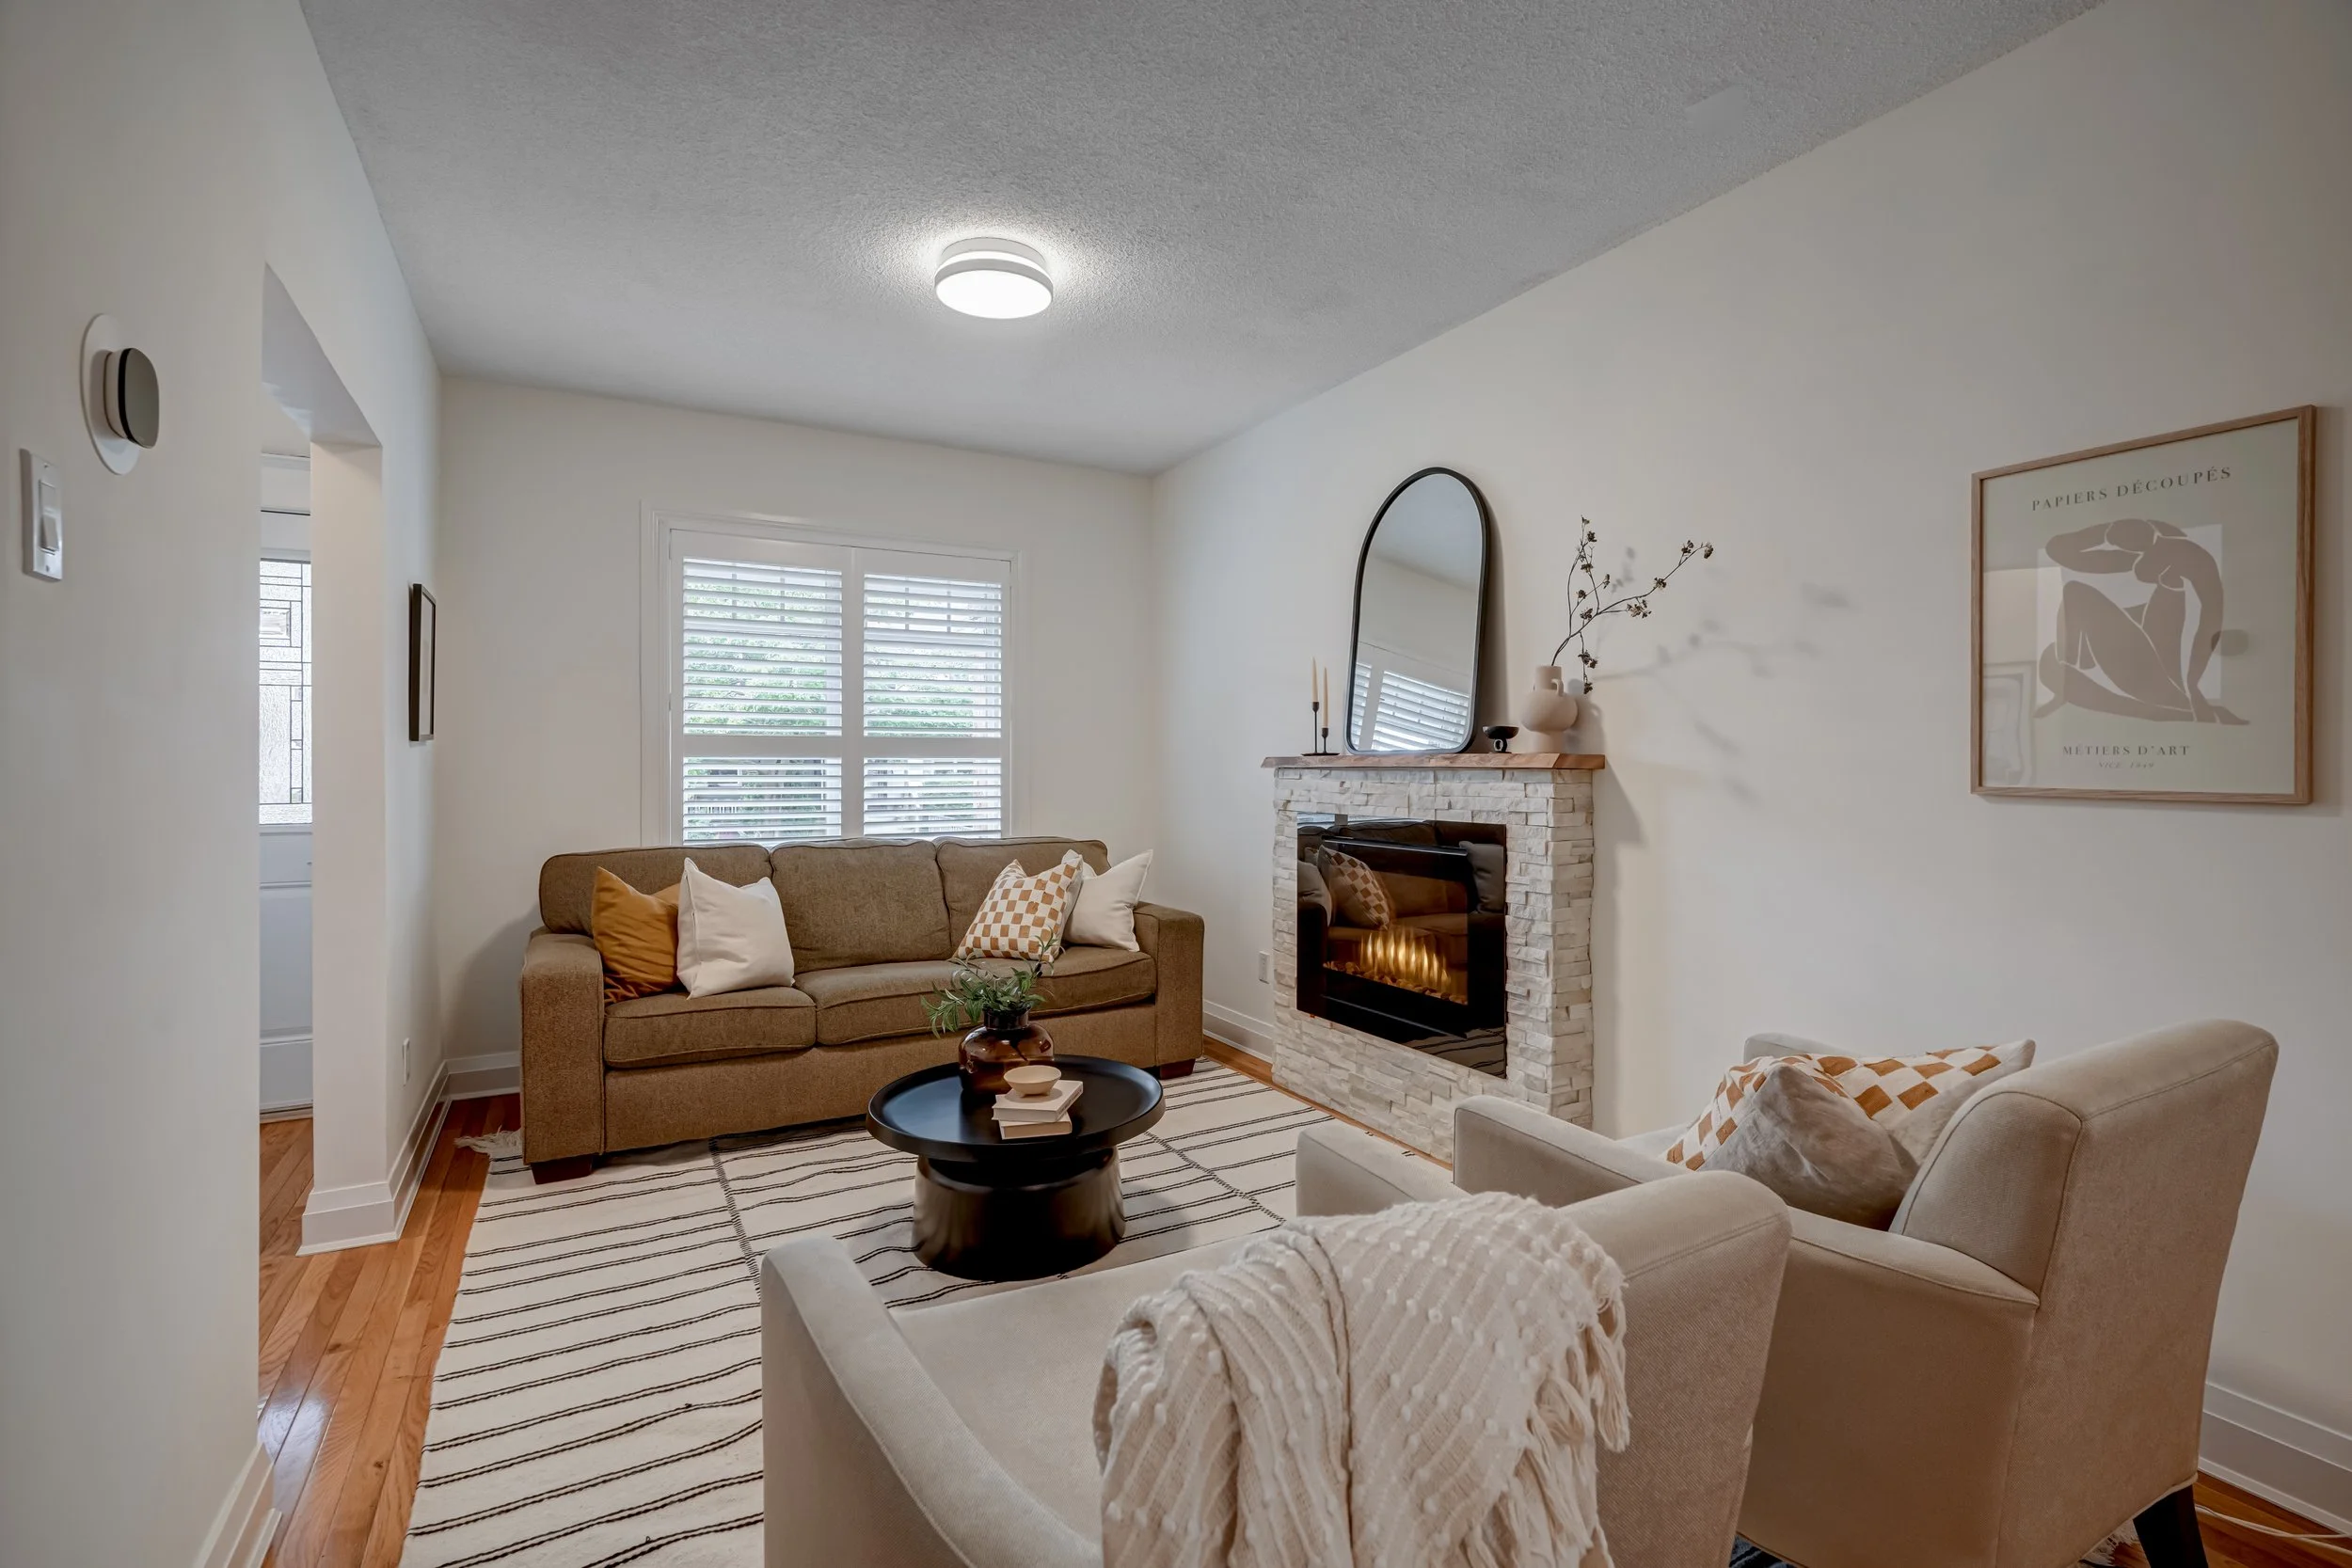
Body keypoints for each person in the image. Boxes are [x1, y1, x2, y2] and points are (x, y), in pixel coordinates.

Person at [2035, 516, 2245, 725]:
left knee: (2075, 593)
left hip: (2160, 680)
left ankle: (2070, 675)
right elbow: (2057, 550)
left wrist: (2193, 687)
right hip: (2153, 669)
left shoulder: (2183, 562)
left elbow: (2206, 627)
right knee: (2069, 611)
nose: (2136, 565)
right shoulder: (2159, 557)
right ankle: (2072, 674)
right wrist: (2106, 532)